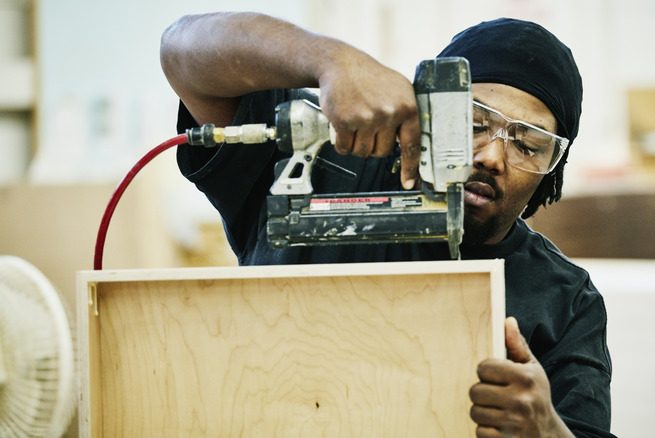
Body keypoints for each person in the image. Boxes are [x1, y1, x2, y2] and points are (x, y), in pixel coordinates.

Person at [160, 12, 615, 438]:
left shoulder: (567, 301)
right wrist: (328, 60)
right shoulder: (322, 161)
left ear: (551, 170)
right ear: (426, 115)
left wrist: (549, 430)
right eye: (472, 122)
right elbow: (181, 51)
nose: (491, 156)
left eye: (529, 144)